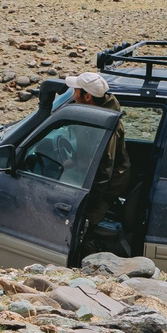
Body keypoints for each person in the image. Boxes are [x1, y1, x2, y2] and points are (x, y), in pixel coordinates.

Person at [61, 71, 138, 255]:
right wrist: (75, 162)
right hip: (108, 178)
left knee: (83, 220)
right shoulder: (96, 114)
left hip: (109, 184)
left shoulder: (104, 124)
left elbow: (104, 170)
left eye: (76, 91)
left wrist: (88, 204)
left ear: (87, 96)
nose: (73, 95)